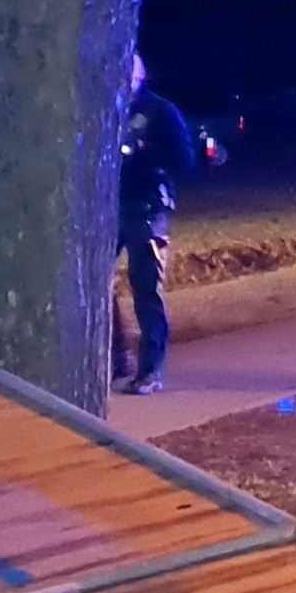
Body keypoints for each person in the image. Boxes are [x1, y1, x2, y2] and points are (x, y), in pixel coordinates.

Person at [114, 55, 193, 393]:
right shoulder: (106, 111)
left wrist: (141, 152)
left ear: (139, 76)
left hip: (147, 207)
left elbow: (184, 160)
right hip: (109, 208)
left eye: (126, 74)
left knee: (146, 289)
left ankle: (150, 370)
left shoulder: (160, 112)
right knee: (93, 285)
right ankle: (116, 358)